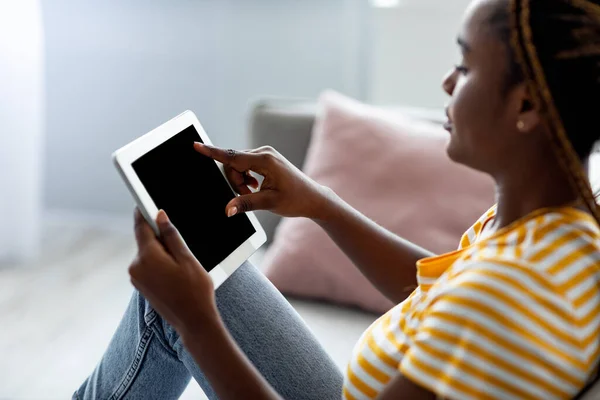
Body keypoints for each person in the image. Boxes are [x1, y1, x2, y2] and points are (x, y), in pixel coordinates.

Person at [74, 0, 600, 399]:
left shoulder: (501, 296)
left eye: (464, 67)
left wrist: (196, 324)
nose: (446, 81)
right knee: (203, 271)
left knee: (178, 299)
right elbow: (440, 290)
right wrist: (319, 203)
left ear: (526, 102)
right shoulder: (564, 225)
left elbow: (473, 305)